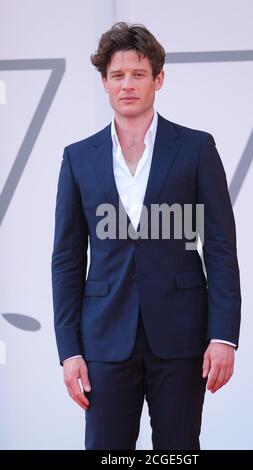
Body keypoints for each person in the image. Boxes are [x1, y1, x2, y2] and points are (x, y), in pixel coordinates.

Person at [51, 22, 241, 450]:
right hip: (103, 338)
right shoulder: (79, 158)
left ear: (159, 78)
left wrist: (224, 335)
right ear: (104, 83)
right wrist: (69, 350)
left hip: (181, 336)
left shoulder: (195, 148)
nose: (128, 84)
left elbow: (221, 249)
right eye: (117, 75)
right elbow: (66, 260)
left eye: (138, 74)